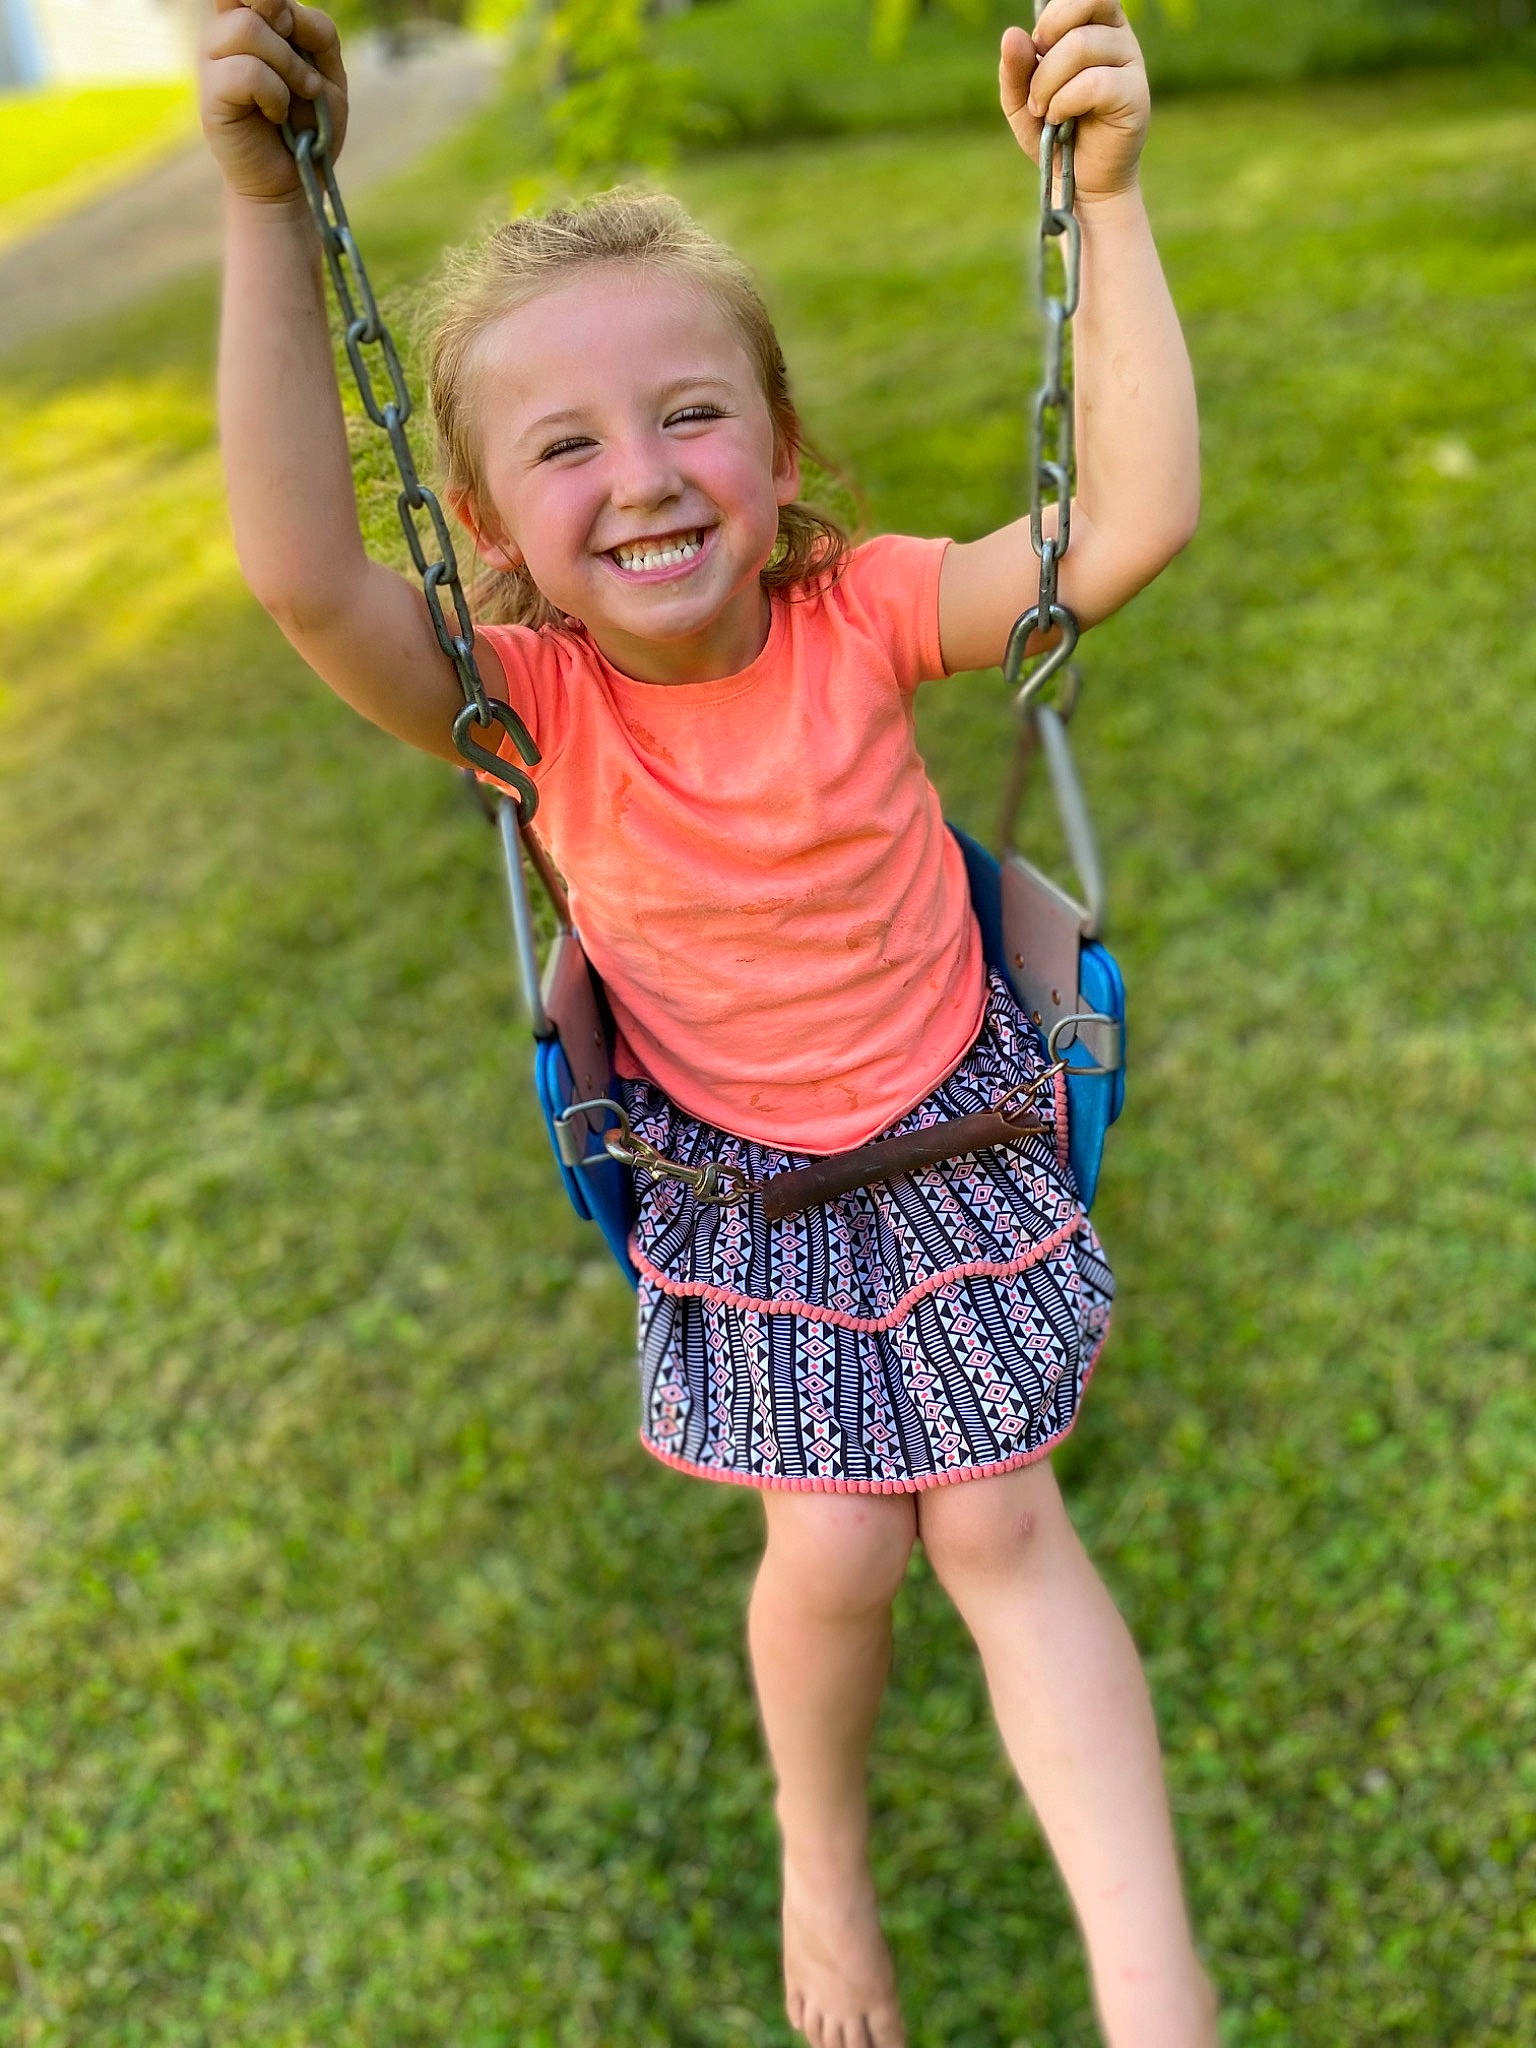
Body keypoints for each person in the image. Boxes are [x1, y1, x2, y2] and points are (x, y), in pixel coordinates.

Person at [201, 0, 1212, 2040]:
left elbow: (1124, 528)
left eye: (691, 415)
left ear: (781, 450)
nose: (643, 477)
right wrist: (256, 217)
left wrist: (1103, 204)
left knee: (1002, 1516)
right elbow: (310, 574)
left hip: (957, 1127)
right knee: (834, 1550)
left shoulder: (864, 612)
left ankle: (1152, 1980)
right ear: (489, 525)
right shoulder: (534, 706)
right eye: (565, 446)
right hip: (742, 1184)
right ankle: (818, 1859)